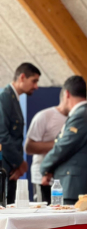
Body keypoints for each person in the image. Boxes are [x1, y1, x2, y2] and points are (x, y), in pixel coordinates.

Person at [40, 76, 87, 203]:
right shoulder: (83, 114)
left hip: (75, 189)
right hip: (75, 187)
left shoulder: (81, 116)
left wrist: (44, 168)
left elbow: (63, 147)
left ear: (66, 94)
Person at [0, 62, 41, 203]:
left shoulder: (14, 99)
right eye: (34, 81)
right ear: (22, 77)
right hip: (5, 167)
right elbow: (2, 136)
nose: (36, 86)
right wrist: (19, 163)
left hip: (11, 169)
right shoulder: (4, 97)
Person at [24, 90, 68, 203]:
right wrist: (61, 144)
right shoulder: (44, 116)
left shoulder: (76, 119)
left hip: (65, 179)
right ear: (67, 95)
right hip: (42, 179)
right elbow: (28, 147)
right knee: (42, 218)